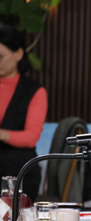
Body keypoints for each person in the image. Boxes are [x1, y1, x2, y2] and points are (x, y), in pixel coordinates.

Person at [0, 25, 47, 202]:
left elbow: (31, 137)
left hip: (19, 171)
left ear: (18, 54)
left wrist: (2, 134)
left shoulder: (35, 91)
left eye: (1, 56)